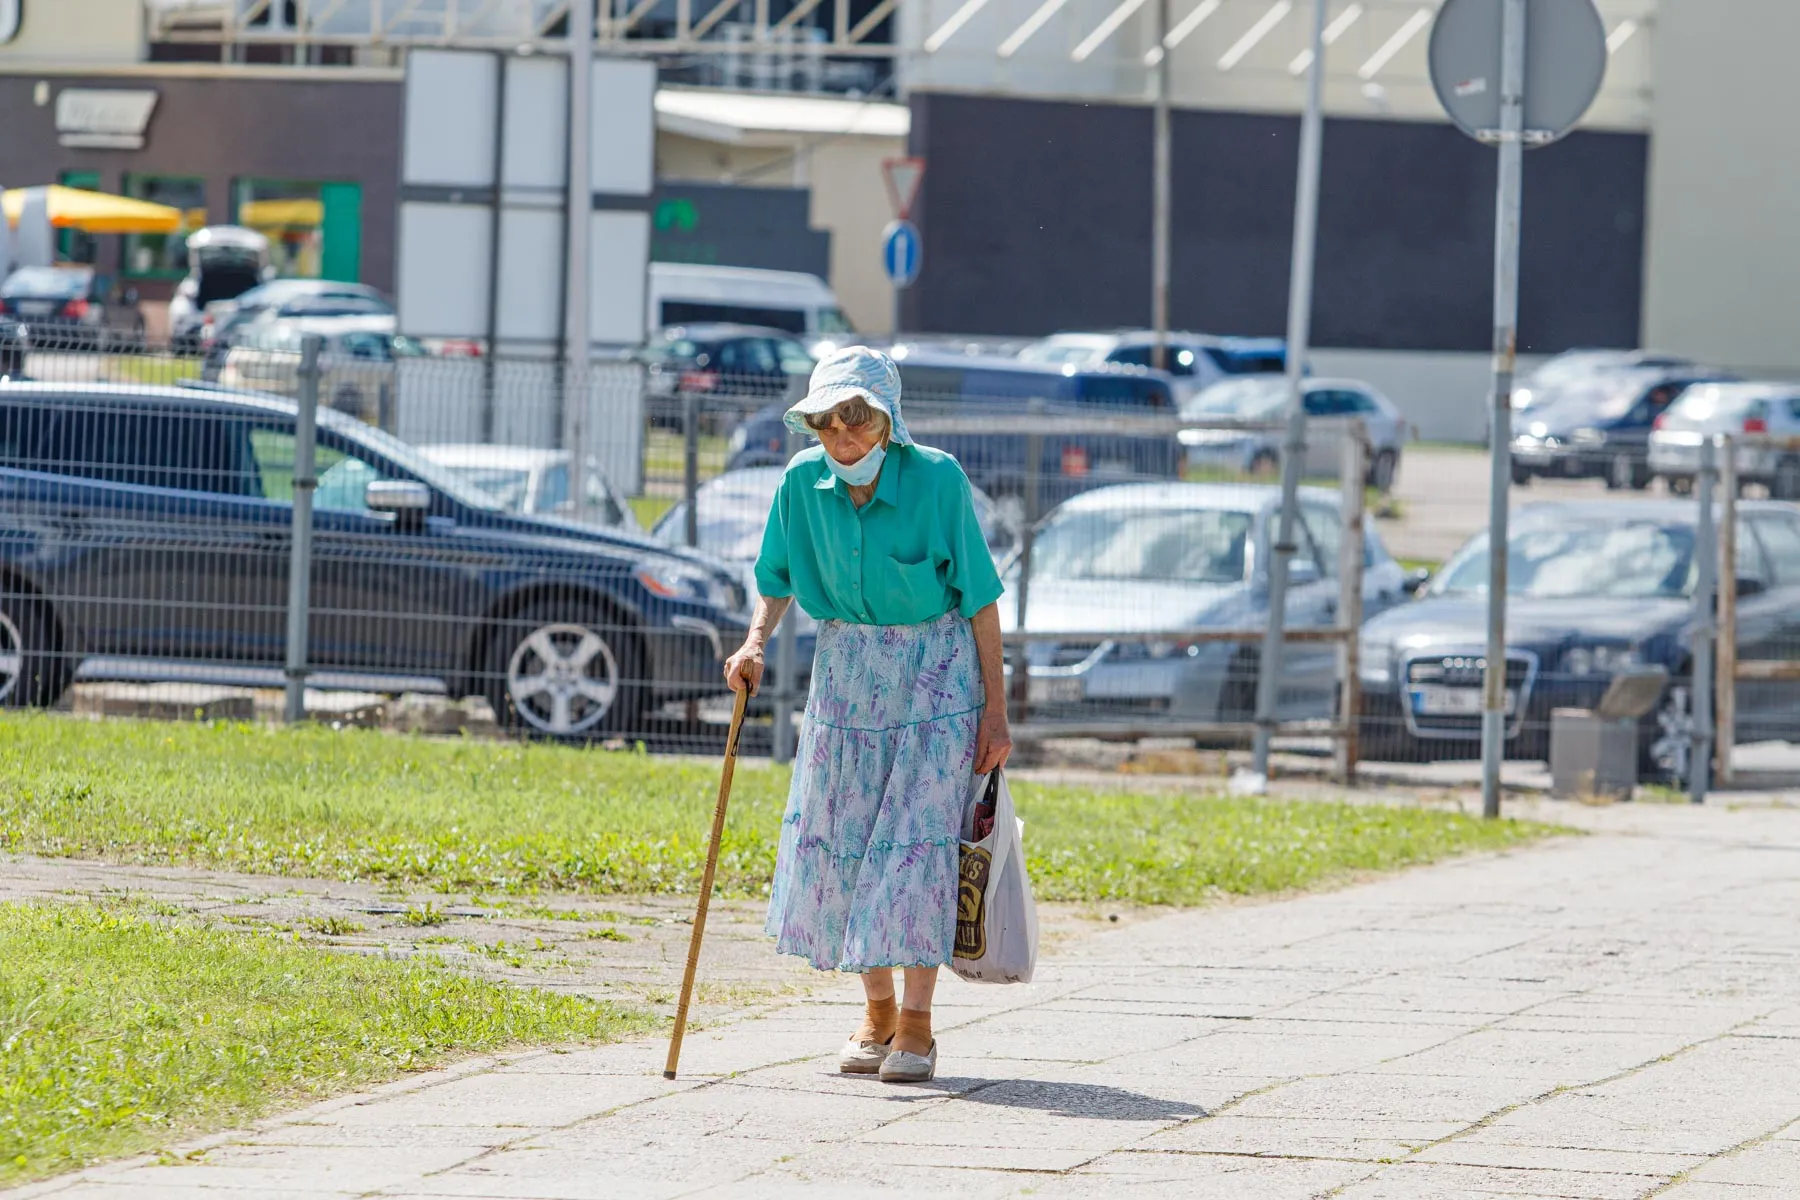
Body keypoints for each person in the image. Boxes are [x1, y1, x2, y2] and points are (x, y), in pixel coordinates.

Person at [723, 346, 1012, 1084]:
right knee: (845, 841)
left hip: (936, 678)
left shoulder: (938, 481)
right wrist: (755, 642)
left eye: (858, 423)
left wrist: (996, 714)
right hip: (847, 675)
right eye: (829, 425)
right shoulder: (799, 484)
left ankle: (917, 1023)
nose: (844, 440)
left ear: (888, 422)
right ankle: (877, 1013)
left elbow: (980, 599)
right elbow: (775, 578)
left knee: (914, 846)